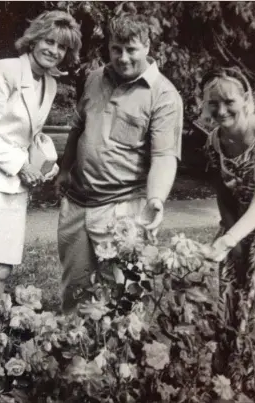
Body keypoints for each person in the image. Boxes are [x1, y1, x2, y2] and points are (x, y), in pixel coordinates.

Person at [0, 10, 82, 321]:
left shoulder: (49, 84)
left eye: (62, 47)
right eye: (48, 41)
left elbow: (30, 134)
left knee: (0, 270)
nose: (54, 50)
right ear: (34, 39)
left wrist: (45, 165)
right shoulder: (5, 71)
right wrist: (19, 163)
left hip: (13, 187)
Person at [56, 14, 183, 312]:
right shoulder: (95, 77)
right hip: (75, 204)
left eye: (132, 49)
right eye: (116, 49)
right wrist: (64, 170)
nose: (122, 58)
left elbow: (164, 156)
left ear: (148, 46)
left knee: (122, 296)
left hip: (122, 209)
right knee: (75, 293)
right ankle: (75, 352)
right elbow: (78, 128)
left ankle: (117, 357)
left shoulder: (164, 95)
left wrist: (156, 199)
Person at [201, 67, 255, 384]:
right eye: (214, 103)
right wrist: (231, 239)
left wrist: (229, 240)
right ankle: (226, 381)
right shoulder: (214, 140)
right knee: (228, 301)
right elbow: (223, 193)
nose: (221, 110)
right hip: (237, 222)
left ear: (247, 99)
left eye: (229, 101)